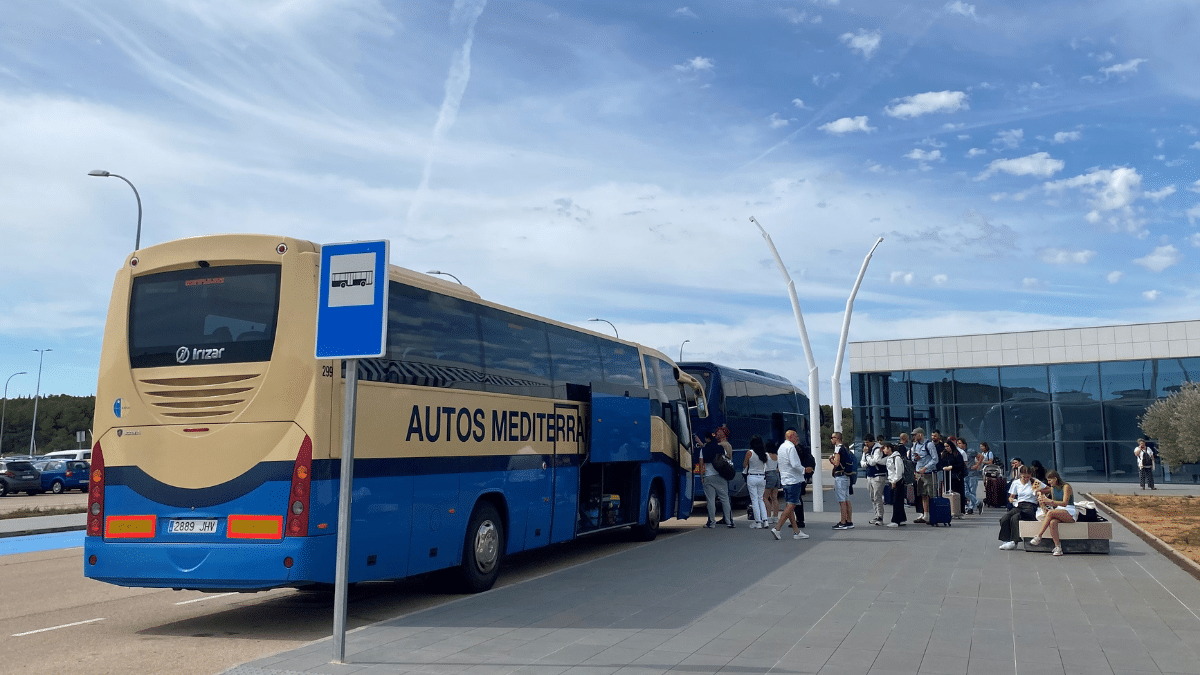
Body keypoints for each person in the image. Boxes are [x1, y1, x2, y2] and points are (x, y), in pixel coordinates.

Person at [770, 428, 811, 540]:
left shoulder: (782, 447)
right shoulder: (791, 448)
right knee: (792, 505)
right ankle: (777, 528)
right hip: (793, 480)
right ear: (790, 437)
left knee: (790, 505)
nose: (798, 438)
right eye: (796, 436)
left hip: (785, 480)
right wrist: (804, 470)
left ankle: (796, 531)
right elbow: (795, 464)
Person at [1030, 470, 1077, 556]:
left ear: (1055, 479)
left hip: (1069, 511)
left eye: (1050, 480)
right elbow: (1054, 504)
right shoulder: (1052, 488)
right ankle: (1058, 547)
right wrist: (1043, 500)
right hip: (1058, 510)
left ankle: (1038, 536)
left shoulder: (1066, 486)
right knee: (1052, 522)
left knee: (1051, 513)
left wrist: (1050, 501)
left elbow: (1064, 503)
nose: (1048, 482)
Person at [999, 466, 1041, 549]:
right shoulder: (1016, 483)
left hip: (1031, 506)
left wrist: (1039, 492)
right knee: (1004, 518)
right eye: (1023, 477)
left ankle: (1015, 541)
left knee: (1015, 518)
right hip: (1019, 505)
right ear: (1020, 475)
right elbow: (1011, 496)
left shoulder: (1035, 482)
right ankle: (1007, 539)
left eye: (1027, 477)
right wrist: (1011, 499)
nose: (1025, 479)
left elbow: (1048, 489)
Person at [698, 432, 734, 528]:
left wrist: (702, 477)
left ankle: (712, 523)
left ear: (707, 439)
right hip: (720, 476)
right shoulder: (720, 448)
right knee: (725, 499)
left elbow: (701, 464)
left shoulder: (704, 449)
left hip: (708, 478)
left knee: (710, 501)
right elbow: (727, 458)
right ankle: (729, 521)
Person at [910, 427, 938, 524]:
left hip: (928, 473)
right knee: (923, 495)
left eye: (915, 434)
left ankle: (933, 515)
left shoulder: (929, 445)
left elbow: (935, 459)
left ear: (920, 434)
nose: (913, 437)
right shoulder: (915, 446)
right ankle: (925, 515)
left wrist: (925, 468)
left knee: (930, 494)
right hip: (919, 473)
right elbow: (914, 459)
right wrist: (916, 459)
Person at [829, 431, 855, 529]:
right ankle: (849, 521)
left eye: (832, 437)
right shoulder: (846, 448)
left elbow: (836, 463)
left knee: (842, 500)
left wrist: (831, 459)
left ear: (837, 438)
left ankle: (843, 522)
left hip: (840, 476)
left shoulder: (838, 448)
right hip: (847, 476)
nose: (831, 439)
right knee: (847, 499)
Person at [744, 435, 770, 529]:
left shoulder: (749, 453)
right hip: (762, 478)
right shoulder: (764, 454)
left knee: (754, 500)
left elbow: (744, 465)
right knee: (761, 499)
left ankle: (758, 522)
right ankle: (765, 521)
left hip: (752, 477)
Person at [861, 433, 887, 526]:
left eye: (867, 443)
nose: (866, 445)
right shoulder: (866, 449)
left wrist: (867, 454)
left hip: (878, 475)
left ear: (872, 442)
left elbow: (873, 462)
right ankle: (876, 515)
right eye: (865, 443)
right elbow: (862, 463)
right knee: (872, 496)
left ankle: (880, 516)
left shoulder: (877, 449)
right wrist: (867, 460)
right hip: (869, 475)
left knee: (877, 496)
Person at [884, 441, 907, 527]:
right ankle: (901, 518)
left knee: (896, 501)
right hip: (893, 481)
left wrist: (894, 481)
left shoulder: (896, 458)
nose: (884, 450)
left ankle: (895, 520)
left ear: (889, 448)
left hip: (897, 481)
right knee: (898, 500)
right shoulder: (890, 458)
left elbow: (899, 471)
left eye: (885, 448)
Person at [962, 438, 982, 515]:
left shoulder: (970, 451)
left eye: (960, 443)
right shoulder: (959, 452)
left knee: (972, 491)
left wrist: (977, 465)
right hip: (964, 474)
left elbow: (980, 456)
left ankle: (971, 508)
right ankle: (977, 503)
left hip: (972, 473)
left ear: (964, 444)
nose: (959, 445)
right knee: (966, 491)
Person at [764, 439, 781, 519]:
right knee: (774, 497)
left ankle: (768, 516)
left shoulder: (766, 455)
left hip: (769, 474)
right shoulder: (776, 456)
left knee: (765, 497)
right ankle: (775, 516)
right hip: (776, 474)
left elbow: (764, 466)